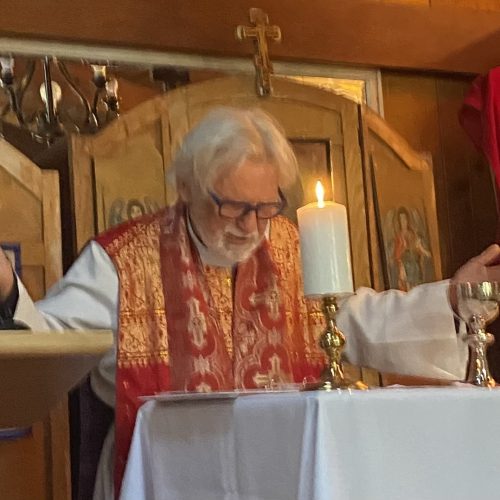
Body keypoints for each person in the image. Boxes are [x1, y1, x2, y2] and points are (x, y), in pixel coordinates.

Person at [0, 106, 499, 499]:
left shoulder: (287, 245)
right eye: (234, 207)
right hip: (168, 478)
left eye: (265, 207)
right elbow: (53, 342)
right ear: (187, 188)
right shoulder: (123, 261)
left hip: (276, 475)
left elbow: (355, 320)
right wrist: (7, 292)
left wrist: (453, 300)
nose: (251, 227)